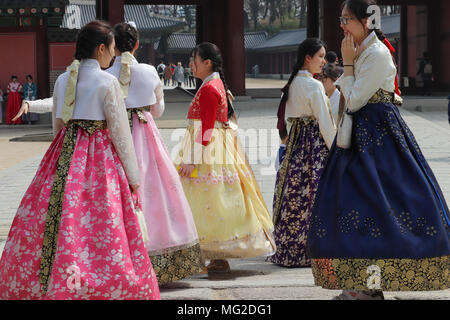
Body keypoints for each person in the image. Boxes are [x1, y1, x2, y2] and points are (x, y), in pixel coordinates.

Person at [0, 20, 160, 300]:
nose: (113, 55)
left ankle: (52, 280)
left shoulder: (64, 79)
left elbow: (59, 125)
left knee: (62, 219)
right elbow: (120, 133)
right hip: (99, 158)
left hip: (64, 155)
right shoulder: (107, 81)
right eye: (111, 49)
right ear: (100, 49)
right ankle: (105, 281)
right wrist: (134, 178)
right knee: (103, 220)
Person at [307, 0, 449, 300]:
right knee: (352, 206)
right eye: (341, 19)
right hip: (358, 136)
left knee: (380, 206)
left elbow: (356, 98)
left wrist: (346, 65)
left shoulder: (377, 53)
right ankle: (360, 283)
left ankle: (369, 286)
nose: (342, 25)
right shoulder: (361, 51)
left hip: (379, 139)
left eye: (347, 19)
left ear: (366, 20)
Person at [106, 22, 201, 285]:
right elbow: (158, 110)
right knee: (156, 189)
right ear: (137, 45)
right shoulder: (149, 71)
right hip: (145, 132)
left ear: (113, 45)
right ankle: (161, 252)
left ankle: (123, 255)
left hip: (116, 134)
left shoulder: (107, 74)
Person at [175, 42, 276, 275]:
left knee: (208, 200)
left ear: (207, 63)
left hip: (208, 150)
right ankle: (214, 255)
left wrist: (192, 159)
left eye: (194, 60)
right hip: (214, 147)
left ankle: (213, 254)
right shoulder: (214, 85)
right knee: (214, 199)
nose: (191, 65)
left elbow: (207, 128)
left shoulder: (210, 88)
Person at [268, 38, 336, 268]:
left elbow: (286, 121)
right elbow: (326, 125)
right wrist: (337, 150)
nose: (323, 62)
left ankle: (290, 247)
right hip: (314, 145)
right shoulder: (315, 86)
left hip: (295, 145)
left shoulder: (292, 83)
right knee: (315, 193)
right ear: (308, 58)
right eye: (320, 56)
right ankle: (313, 249)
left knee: (293, 193)